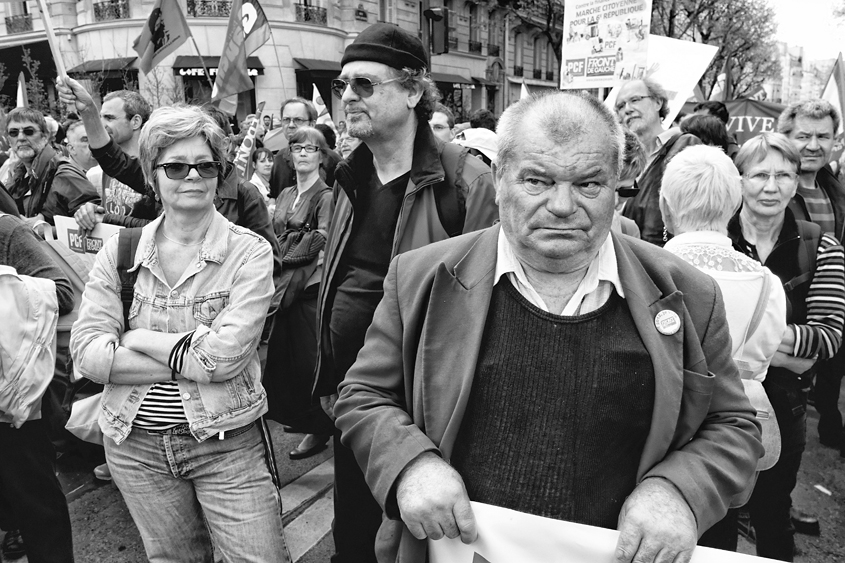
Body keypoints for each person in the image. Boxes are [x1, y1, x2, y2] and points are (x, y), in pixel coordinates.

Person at [334, 91, 762, 563]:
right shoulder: (419, 277)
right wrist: (410, 464)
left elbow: (733, 426)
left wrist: (679, 489)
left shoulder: (689, 294)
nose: (562, 205)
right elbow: (364, 395)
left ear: (617, 186)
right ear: (499, 178)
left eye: (589, 184)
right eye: (537, 180)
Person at [70, 105, 291, 563]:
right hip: (134, 446)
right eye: (176, 166)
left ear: (219, 173)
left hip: (226, 443)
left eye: (205, 165)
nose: (193, 175)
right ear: (153, 175)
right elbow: (88, 354)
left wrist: (135, 339)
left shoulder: (249, 253)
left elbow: (225, 359)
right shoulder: (122, 249)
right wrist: (194, 355)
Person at [316, 22, 498, 563]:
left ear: (414, 91)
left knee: (418, 543)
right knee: (352, 537)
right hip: (353, 403)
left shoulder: (465, 183)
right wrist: (328, 377)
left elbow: (491, 307)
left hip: (425, 414)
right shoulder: (347, 175)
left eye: (365, 85)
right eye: (342, 84)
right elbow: (337, 281)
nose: (347, 96)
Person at [660, 145, 788, 550]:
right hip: (731, 435)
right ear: (735, 204)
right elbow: (760, 363)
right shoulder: (766, 281)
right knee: (720, 535)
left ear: (665, 207)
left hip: (663, 426)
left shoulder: (647, 268)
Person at [727, 132, 845, 561]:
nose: (770, 186)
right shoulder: (714, 241)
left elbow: (830, 335)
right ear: (739, 180)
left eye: (783, 175)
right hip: (714, 403)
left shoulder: (821, 246)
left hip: (784, 405)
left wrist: (740, 338)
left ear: (797, 182)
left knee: (773, 514)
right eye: (759, 174)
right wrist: (788, 350)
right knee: (713, 516)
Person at [0, 212, 75, 563]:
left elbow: (62, 292)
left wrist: (5, 289)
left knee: (36, 503)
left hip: (13, 404)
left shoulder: (7, 231)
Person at [264, 127, 335, 460]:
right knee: (286, 358)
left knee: (310, 360)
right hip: (282, 282)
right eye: (297, 148)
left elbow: (322, 241)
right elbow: (273, 233)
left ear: (321, 155)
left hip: (309, 287)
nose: (303, 153)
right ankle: (300, 418)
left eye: (311, 148)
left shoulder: (326, 195)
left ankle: (320, 428)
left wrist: (291, 250)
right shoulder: (285, 193)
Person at [779, 99, 845, 457]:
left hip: (828, 313)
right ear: (787, 136)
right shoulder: (774, 188)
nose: (814, 145)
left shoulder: (835, 191)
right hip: (790, 318)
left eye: (824, 136)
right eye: (804, 136)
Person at [617, 78, 701, 246]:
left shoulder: (684, 146)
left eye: (635, 100)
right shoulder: (620, 157)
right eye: (620, 106)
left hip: (667, 257)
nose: (627, 109)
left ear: (657, 102)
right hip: (628, 256)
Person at [4, 108, 100, 227]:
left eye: (29, 131)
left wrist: (45, 229)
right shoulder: (18, 174)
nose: (21, 137)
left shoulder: (64, 173)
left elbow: (97, 223)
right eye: (14, 132)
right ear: (9, 140)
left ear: (45, 137)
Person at [86, 91, 152, 218]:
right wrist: (92, 211)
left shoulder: (153, 167)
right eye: (100, 117)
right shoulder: (103, 168)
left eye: (109, 118)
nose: (101, 125)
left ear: (135, 121)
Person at [268, 98, 342, 198]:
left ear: (312, 124)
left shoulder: (331, 160)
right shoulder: (279, 158)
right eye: (286, 120)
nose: (291, 125)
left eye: (298, 120)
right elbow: (273, 196)